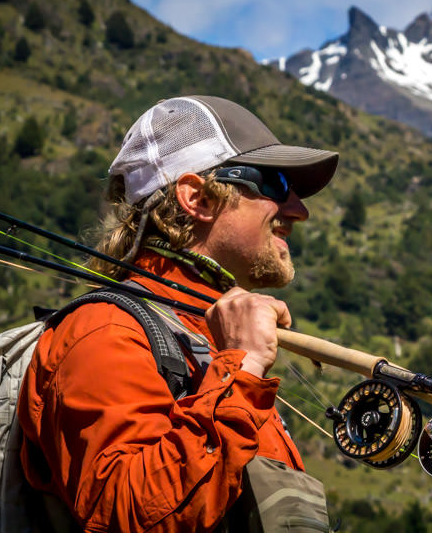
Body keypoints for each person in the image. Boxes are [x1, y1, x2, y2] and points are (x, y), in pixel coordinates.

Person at [17, 95, 339, 532]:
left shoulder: (211, 339)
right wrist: (240, 370)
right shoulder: (105, 330)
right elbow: (127, 517)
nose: (299, 210)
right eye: (275, 186)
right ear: (197, 198)